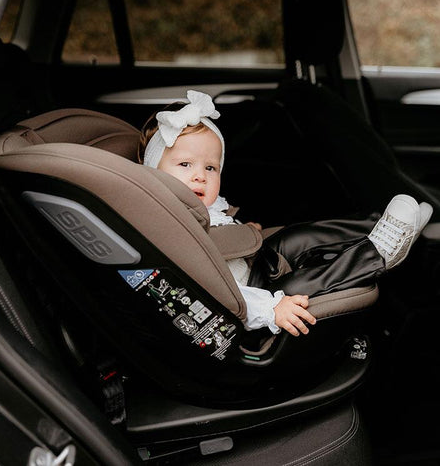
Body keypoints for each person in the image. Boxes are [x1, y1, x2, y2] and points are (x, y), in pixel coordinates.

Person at [138, 90, 433, 338]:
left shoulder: (201, 205)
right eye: (185, 165)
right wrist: (271, 309)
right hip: (251, 297)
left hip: (253, 263)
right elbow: (221, 295)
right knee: (298, 287)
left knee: (299, 235)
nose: (200, 176)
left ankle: (379, 225)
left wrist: (239, 232)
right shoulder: (168, 227)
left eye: (210, 168)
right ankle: (377, 252)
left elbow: (219, 227)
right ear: (154, 174)